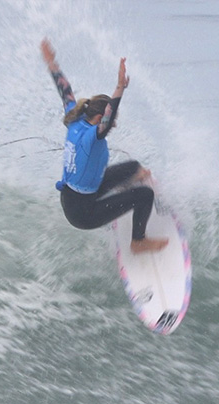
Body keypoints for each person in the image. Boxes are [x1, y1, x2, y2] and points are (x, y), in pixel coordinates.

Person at [40, 38, 167, 253]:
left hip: (74, 196)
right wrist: (119, 87)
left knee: (134, 168)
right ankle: (138, 242)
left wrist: (53, 64)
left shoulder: (75, 119)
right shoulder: (93, 135)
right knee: (145, 194)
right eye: (110, 119)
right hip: (83, 214)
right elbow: (108, 118)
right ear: (99, 118)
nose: (114, 123)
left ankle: (127, 199)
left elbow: (65, 91)